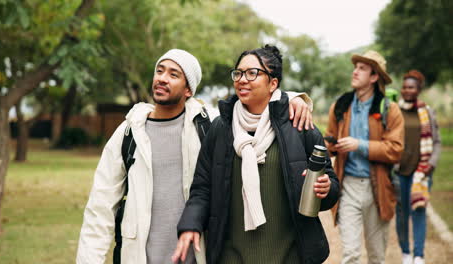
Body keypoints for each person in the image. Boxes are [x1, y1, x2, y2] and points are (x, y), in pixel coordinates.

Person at [76, 48, 315, 264]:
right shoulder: (129, 133)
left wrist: (293, 98)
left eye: (173, 74)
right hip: (138, 255)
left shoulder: (206, 128)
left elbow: (255, 106)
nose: (162, 78)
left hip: (196, 254)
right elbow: (100, 207)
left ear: (189, 89)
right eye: (159, 71)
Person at [172, 45, 339, 264]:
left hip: (290, 255)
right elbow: (203, 186)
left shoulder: (299, 125)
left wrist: (326, 188)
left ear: (273, 83)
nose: (242, 79)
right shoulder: (221, 128)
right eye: (238, 73)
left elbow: (331, 186)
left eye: (252, 73)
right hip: (231, 255)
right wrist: (190, 225)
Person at [325, 50, 405, 264]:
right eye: (355, 67)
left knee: (377, 256)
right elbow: (329, 141)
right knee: (350, 254)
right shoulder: (339, 106)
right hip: (347, 186)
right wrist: (329, 146)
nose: (355, 72)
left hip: (377, 188)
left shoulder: (390, 110)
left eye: (362, 68)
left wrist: (358, 145)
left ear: (374, 77)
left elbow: (396, 149)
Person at [395, 70, 441, 264]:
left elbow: (437, 142)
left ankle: (419, 255)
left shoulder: (427, 112)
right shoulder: (395, 111)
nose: (407, 90)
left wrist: (431, 164)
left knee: (419, 211)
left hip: (421, 173)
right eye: (405, 86)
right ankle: (406, 252)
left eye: (411, 87)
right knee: (402, 214)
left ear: (418, 89)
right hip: (399, 172)